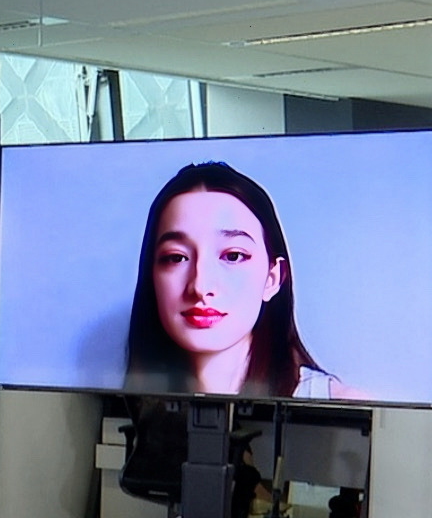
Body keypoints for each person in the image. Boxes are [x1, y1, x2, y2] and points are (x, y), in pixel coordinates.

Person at [125, 161, 350, 399]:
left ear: (272, 278)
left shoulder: (342, 404)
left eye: (233, 256)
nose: (200, 287)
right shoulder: (125, 406)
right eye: (176, 257)